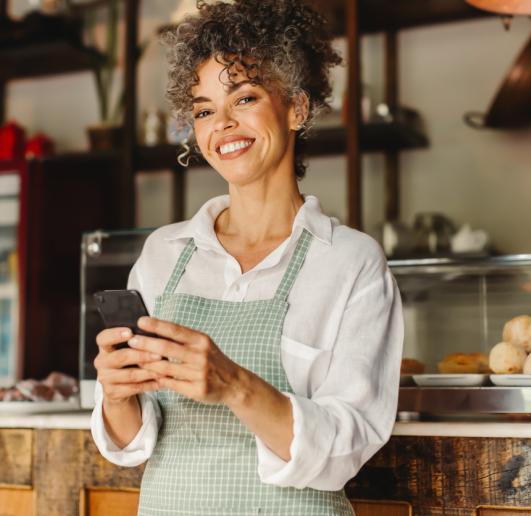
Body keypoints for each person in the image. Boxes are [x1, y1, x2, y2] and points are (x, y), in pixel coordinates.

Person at [91, 1, 403, 514]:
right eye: (205, 109)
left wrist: (235, 385)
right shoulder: (163, 255)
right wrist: (118, 393)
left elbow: (348, 446)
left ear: (297, 108)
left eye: (245, 98)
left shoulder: (350, 262)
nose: (223, 125)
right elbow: (134, 445)